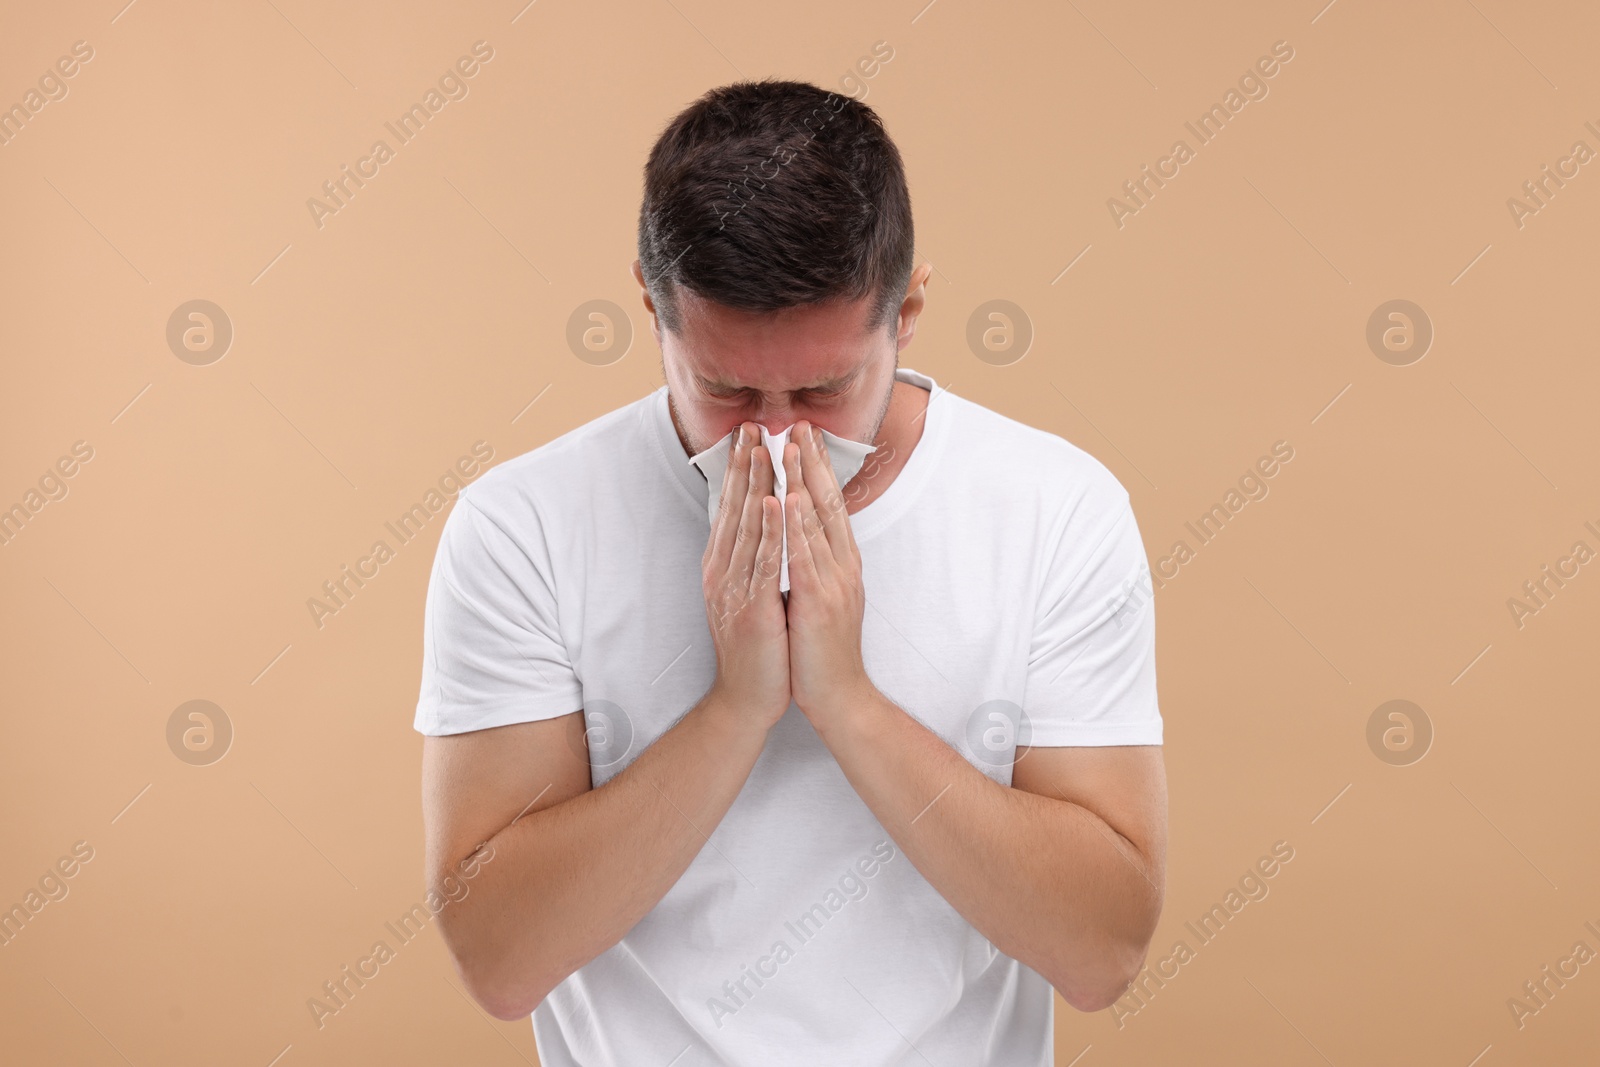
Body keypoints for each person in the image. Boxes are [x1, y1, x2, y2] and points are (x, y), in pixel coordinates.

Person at [416, 78, 1167, 1066]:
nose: (774, 440)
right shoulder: (521, 527)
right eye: (727, 391)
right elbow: (502, 959)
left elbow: (1101, 950)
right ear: (652, 309)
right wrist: (736, 707)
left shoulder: (1056, 509)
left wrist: (846, 699)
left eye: (822, 389)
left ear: (909, 312)